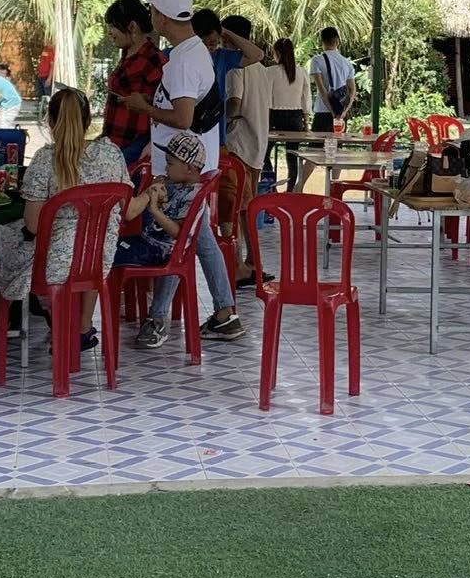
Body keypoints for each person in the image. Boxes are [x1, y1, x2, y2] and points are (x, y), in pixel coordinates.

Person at [0, 87, 127, 337]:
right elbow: (127, 208)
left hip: (53, 265)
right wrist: (149, 195)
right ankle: (79, 323)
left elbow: (33, 225)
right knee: (19, 240)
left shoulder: (46, 159)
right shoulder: (111, 154)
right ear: (88, 120)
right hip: (97, 260)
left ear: (50, 121)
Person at [114, 129, 242, 349]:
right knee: (179, 251)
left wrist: (155, 209)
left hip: (158, 248)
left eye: (170, 164)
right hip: (159, 244)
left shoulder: (192, 193)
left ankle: (157, 319)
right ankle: (222, 315)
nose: (165, 168)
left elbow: (178, 234)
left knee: (173, 252)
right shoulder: (176, 183)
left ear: (189, 168)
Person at [226, 35, 304, 282]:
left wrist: (222, 120)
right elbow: (304, 101)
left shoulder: (237, 69)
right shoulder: (264, 70)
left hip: (238, 146)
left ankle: (238, 265)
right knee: (249, 207)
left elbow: (235, 103)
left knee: (234, 210)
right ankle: (253, 262)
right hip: (262, 138)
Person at [129, 0, 220, 177]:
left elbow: (182, 119)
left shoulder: (184, 62)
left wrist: (145, 109)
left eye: (152, 11)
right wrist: (154, 101)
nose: (150, 17)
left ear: (162, 18)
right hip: (183, 170)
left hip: (182, 176)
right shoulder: (193, 50)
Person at [101, 0, 161, 164]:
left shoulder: (154, 60)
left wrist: (151, 143)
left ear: (132, 27)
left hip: (134, 146)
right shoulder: (127, 55)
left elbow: (164, 106)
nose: (110, 32)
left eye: (114, 26)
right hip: (114, 142)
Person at [308, 27, 357, 134]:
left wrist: (332, 112)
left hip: (322, 110)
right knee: (337, 143)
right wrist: (344, 111)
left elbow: (323, 91)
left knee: (317, 143)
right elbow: (352, 90)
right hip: (341, 112)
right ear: (337, 42)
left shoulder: (316, 61)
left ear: (322, 42)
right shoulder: (347, 63)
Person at [0, 62, 24, 130]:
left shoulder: (7, 81)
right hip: (3, 105)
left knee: (4, 124)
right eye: (1, 73)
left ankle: (5, 135)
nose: (2, 75)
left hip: (10, 105)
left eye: (4, 74)